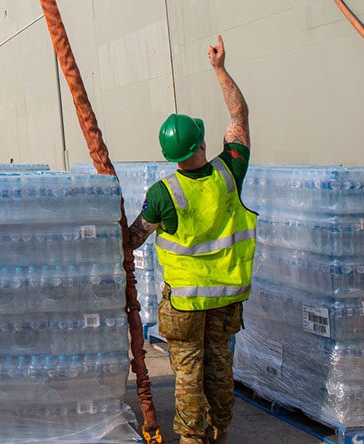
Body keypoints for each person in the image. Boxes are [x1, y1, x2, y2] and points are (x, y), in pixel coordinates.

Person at [127, 35, 256, 444]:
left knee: (187, 374)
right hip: (226, 300)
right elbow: (240, 116)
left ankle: (190, 438)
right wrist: (219, 69)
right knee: (219, 368)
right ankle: (220, 430)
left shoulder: (163, 194)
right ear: (202, 143)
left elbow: (132, 240)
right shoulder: (229, 174)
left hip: (184, 303)